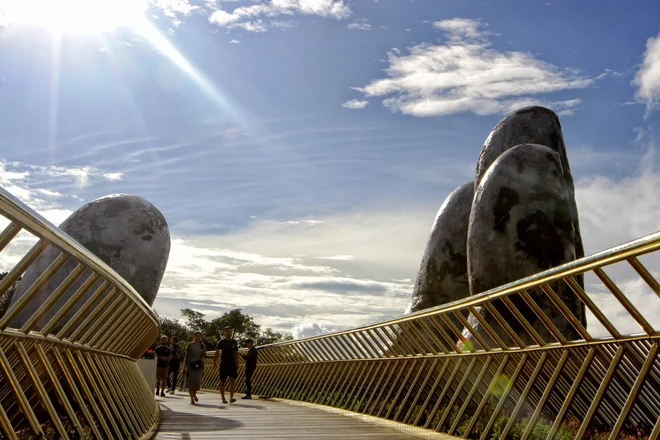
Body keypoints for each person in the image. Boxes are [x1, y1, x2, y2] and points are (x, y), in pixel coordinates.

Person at [214, 326, 238, 404]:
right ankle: (223, 398)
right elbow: (217, 353)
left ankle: (231, 397)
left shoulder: (234, 342)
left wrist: (237, 362)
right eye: (227, 331)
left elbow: (235, 352)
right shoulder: (221, 342)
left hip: (232, 363)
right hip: (224, 362)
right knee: (223, 381)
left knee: (232, 380)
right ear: (224, 333)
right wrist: (215, 362)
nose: (229, 333)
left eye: (230, 331)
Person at [183, 331, 206, 404]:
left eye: (200, 336)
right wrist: (185, 365)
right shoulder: (190, 345)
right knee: (190, 382)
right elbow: (187, 356)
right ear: (194, 336)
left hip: (199, 365)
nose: (198, 337)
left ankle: (194, 394)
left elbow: (204, 355)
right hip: (191, 365)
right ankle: (192, 398)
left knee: (197, 382)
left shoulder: (202, 345)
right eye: (197, 336)